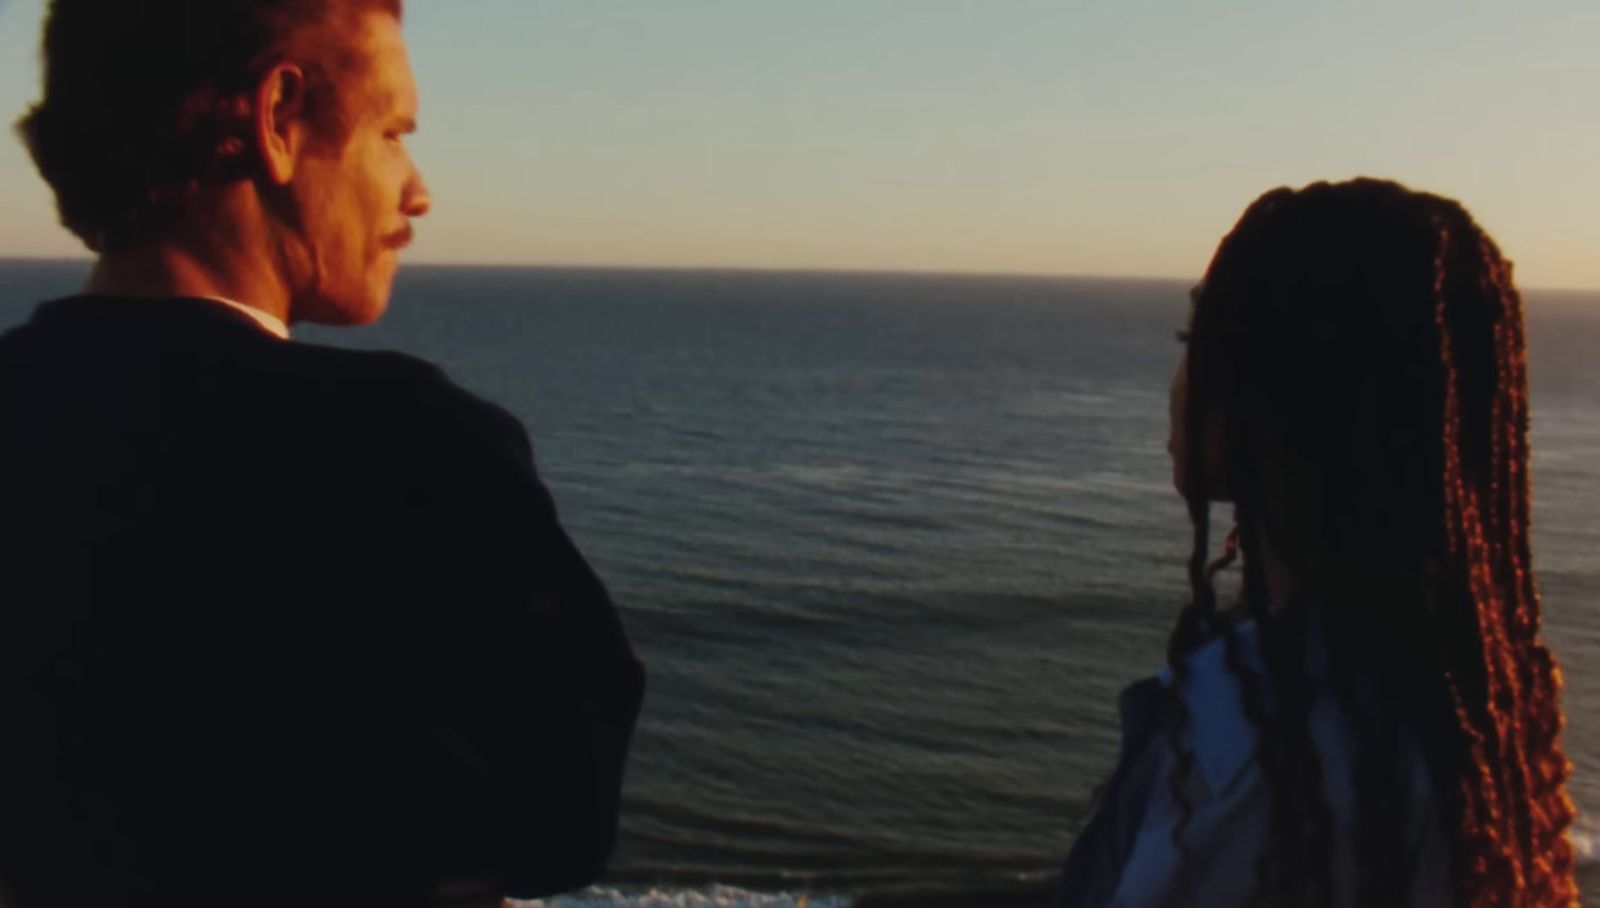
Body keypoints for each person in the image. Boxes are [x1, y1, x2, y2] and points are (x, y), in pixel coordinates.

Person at [0, 2, 644, 907]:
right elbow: (560, 821)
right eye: (393, 133)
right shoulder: (410, 452)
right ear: (277, 121)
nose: (417, 189)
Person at [1057, 179, 1577, 907]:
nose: (1177, 379)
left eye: (1193, 344)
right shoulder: (1455, 690)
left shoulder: (1252, 746)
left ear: (1277, 395)